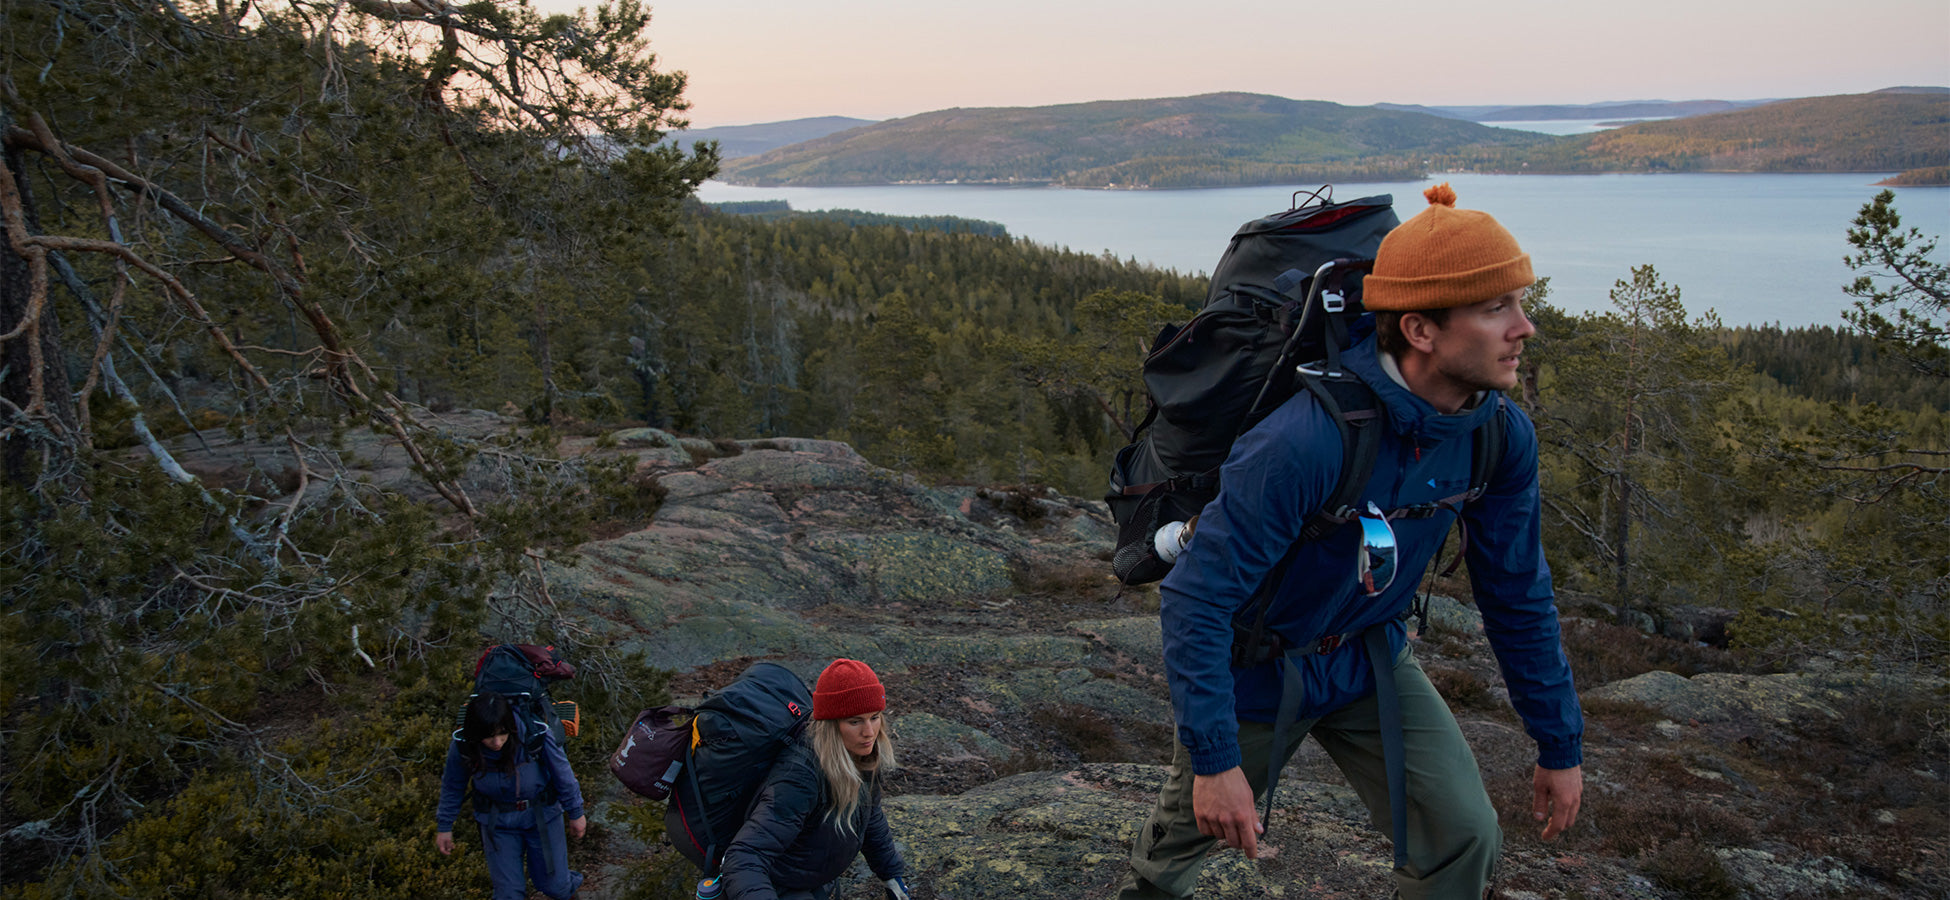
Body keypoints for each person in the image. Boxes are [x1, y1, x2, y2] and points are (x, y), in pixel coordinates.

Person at [1115, 183, 1584, 899]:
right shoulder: (1304, 442)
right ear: (1421, 330)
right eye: (1496, 309)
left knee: (1464, 838)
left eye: (1519, 303)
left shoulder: (1497, 435)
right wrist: (1213, 763)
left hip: (1370, 658)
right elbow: (1197, 601)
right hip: (1255, 670)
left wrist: (1559, 743)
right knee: (1168, 870)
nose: (1524, 327)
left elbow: (1518, 593)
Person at [719, 658, 912, 900]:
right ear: (831, 724)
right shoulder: (799, 778)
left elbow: (870, 817)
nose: (869, 732)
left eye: (874, 717)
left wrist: (891, 875)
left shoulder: (861, 756)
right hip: (781, 887)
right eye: (854, 721)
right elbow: (745, 856)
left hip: (816, 881)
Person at [436, 692, 588, 900]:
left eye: (502, 734)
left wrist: (576, 812)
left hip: (542, 816)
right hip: (496, 823)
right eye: (489, 736)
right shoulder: (464, 745)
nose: (497, 742)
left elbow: (563, 773)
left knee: (556, 886)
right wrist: (445, 826)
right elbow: (452, 785)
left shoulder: (534, 735)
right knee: (508, 894)